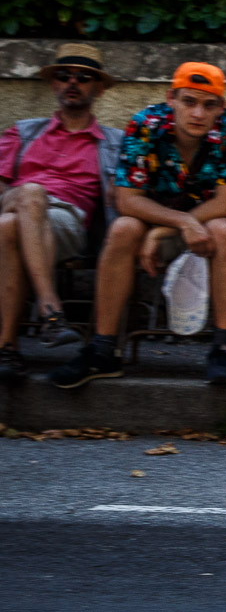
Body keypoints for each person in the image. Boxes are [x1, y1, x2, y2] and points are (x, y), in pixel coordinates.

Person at [48, 63, 226, 388]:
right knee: (123, 228)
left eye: (209, 104)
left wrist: (166, 229)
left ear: (221, 107)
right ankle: (103, 349)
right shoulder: (145, 125)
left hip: (207, 226)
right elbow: (127, 200)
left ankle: (222, 347)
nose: (198, 113)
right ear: (171, 98)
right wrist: (179, 221)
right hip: (155, 222)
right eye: (189, 101)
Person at [0, 44, 124, 382]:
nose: (73, 82)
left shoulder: (114, 143)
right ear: (54, 84)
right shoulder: (23, 132)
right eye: (64, 76)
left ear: (98, 89)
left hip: (67, 223)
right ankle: (51, 311)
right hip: (15, 203)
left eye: (84, 78)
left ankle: (8, 349)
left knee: (10, 225)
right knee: (26, 198)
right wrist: (25, 198)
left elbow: (124, 196)